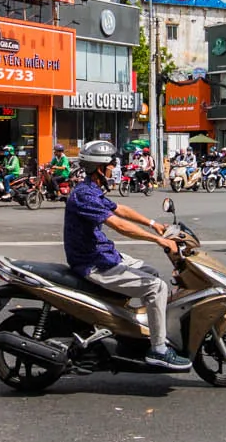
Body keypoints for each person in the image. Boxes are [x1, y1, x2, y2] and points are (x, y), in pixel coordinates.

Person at [63, 139, 191, 371]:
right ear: (100, 168)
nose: (115, 169)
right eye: (111, 165)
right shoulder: (84, 195)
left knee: (151, 273)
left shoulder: (91, 190)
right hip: (93, 263)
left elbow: (119, 209)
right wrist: (158, 240)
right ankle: (159, 350)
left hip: (104, 254)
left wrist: (153, 224)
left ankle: (140, 329)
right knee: (157, 287)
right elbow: (119, 225)